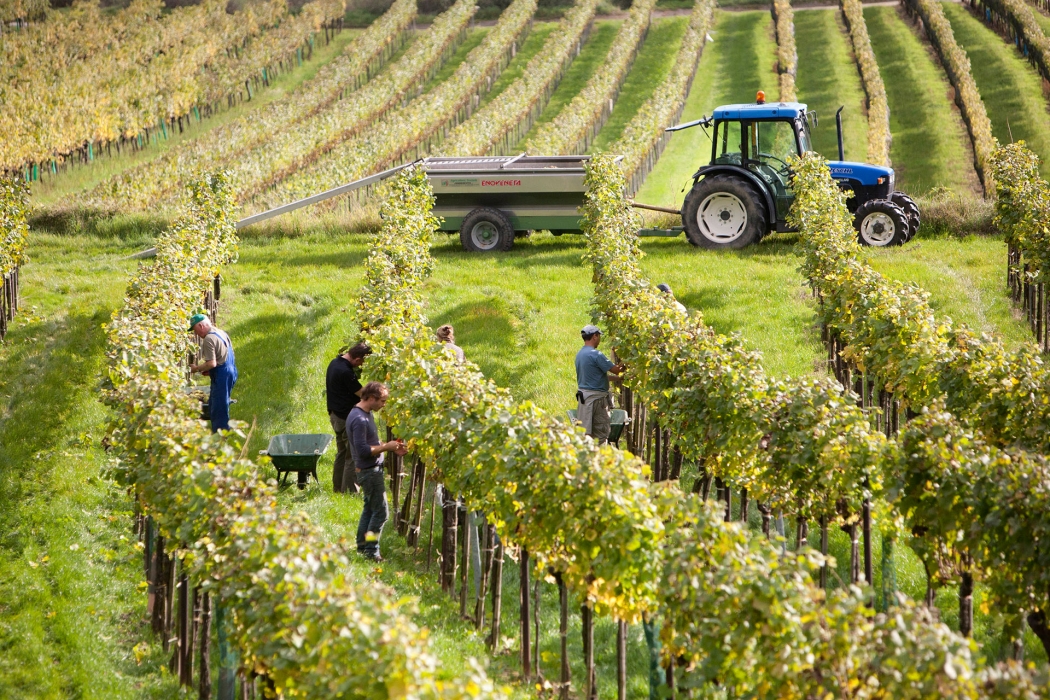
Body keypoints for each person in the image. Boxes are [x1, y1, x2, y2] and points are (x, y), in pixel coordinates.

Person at [348, 381, 408, 561]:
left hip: (370, 470)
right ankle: (371, 552)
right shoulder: (359, 419)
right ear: (371, 398)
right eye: (382, 401)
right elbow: (363, 451)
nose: (384, 405)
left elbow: (369, 444)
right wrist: (386, 448)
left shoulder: (363, 414)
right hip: (369, 472)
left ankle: (362, 545)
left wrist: (389, 446)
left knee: (369, 510)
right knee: (381, 513)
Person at [326, 342, 372, 494]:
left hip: (335, 415)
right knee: (352, 455)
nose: (360, 366)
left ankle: (338, 488)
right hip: (346, 418)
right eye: (362, 363)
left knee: (341, 453)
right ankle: (350, 491)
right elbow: (362, 393)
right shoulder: (346, 372)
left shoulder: (334, 363)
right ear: (358, 359)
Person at [574, 324, 623, 445]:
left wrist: (619, 379)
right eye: (599, 336)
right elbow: (616, 369)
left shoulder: (580, 355)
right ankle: (600, 460)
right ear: (594, 336)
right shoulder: (596, 354)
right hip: (597, 401)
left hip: (584, 399)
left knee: (585, 435)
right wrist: (627, 361)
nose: (599, 340)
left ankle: (586, 460)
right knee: (601, 435)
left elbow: (597, 377)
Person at [189, 313, 238, 432]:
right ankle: (219, 434)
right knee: (216, 404)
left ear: (201, 326)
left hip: (222, 375)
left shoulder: (208, 339)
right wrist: (212, 372)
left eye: (195, 331)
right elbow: (225, 355)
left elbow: (211, 363)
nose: (196, 334)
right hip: (230, 371)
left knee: (218, 409)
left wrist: (196, 368)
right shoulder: (221, 332)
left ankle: (220, 439)